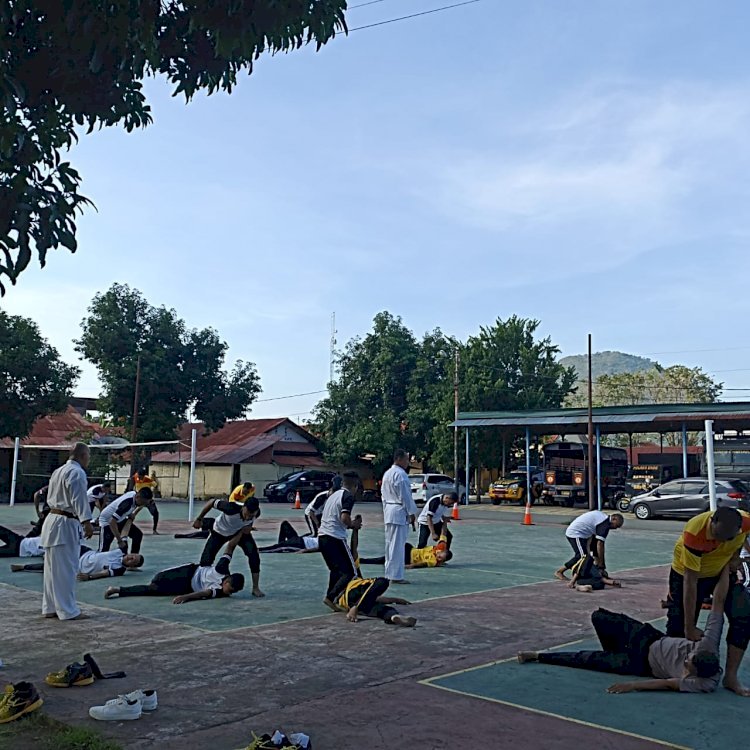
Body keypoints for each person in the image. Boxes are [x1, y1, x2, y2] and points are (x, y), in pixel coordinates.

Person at [518, 565, 730, 694]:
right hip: (647, 638)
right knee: (599, 616)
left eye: (687, 665)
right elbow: (718, 603)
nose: (685, 660)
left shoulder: (703, 684)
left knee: (587, 660)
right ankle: (611, 652)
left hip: (640, 665)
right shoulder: (708, 644)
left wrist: (632, 685)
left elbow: (666, 684)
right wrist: (725, 571)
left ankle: (538, 656)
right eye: (689, 656)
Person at [666, 506, 750, 696]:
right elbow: (690, 583)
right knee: (678, 629)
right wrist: (690, 627)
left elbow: (743, 538)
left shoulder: (745, 522)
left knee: (743, 616)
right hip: (687, 576)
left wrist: (735, 557)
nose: (720, 542)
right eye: (717, 536)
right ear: (712, 521)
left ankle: (730, 677)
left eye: (726, 539)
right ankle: (677, 671)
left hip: (721, 571)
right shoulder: (695, 532)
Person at [104, 534, 245, 603]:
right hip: (188, 572)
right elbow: (230, 547)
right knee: (158, 578)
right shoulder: (222, 569)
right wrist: (241, 532)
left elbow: (203, 593)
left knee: (153, 589)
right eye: (231, 590)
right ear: (227, 581)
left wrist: (184, 597)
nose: (229, 593)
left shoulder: (220, 592)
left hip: (186, 587)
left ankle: (117, 590)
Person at [40, 442, 94, 621]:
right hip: (64, 523)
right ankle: (68, 610)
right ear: (83, 456)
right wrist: (87, 521)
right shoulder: (77, 473)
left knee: (51, 569)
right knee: (65, 569)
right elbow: (79, 499)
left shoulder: (59, 471)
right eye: (88, 456)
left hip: (52, 521)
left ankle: (50, 607)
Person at [336, 526, 416, 627]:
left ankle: (393, 617)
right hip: (353, 594)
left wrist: (395, 600)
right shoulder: (354, 576)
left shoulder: (360, 592)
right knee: (383, 581)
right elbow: (354, 549)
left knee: (382, 609)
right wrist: (355, 530)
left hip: (350, 602)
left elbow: (372, 596)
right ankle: (356, 608)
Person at [193, 495, 264, 597]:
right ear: (243, 507)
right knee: (205, 562)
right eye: (246, 514)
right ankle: (206, 583)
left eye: (251, 516)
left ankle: (255, 588)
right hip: (219, 532)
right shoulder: (231, 508)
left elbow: (249, 521)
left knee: (254, 555)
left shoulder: (256, 513)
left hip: (238, 532)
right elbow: (212, 502)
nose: (248, 517)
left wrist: (249, 526)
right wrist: (199, 518)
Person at [318, 471, 362, 609]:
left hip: (322, 537)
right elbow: (344, 518)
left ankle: (329, 598)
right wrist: (353, 524)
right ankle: (332, 596)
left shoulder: (333, 495)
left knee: (336, 570)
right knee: (350, 571)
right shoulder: (348, 496)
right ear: (355, 486)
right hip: (335, 537)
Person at [380, 449, 418, 584]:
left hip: (390, 510)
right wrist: (411, 513)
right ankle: (395, 576)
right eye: (407, 459)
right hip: (398, 511)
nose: (408, 462)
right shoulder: (400, 475)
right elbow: (405, 497)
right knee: (397, 545)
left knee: (390, 544)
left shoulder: (387, 474)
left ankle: (390, 573)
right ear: (400, 459)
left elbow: (383, 496)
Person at [555, 511, 624, 580]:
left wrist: (600, 567)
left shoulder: (603, 518)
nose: (615, 528)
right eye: (616, 526)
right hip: (575, 533)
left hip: (585, 535)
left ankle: (598, 572)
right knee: (582, 557)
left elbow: (596, 547)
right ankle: (560, 571)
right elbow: (600, 545)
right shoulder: (605, 524)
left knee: (593, 550)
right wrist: (602, 564)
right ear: (614, 519)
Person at [12, 547, 144, 579]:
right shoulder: (120, 551)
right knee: (65, 543)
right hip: (85, 552)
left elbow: (104, 573)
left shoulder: (119, 569)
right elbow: (125, 532)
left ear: (132, 566)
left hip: (80, 567)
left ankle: (23, 567)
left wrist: (90, 577)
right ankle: (46, 551)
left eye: (133, 560)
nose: (130, 557)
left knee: (54, 567)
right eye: (132, 555)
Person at [97, 488, 154, 553]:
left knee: (137, 535)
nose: (142, 505)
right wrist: (119, 541)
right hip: (107, 521)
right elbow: (112, 522)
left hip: (120, 518)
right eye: (143, 503)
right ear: (138, 497)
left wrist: (130, 514)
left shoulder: (134, 495)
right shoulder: (127, 504)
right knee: (104, 549)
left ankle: (134, 556)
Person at [360, 534, 452, 569]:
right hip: (410, 549)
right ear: (440, 551)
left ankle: (362, 560)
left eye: (441, 559)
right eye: (440, 555)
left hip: (409, 558)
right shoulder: (440, 547)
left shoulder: (434, 562)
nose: (438, 558)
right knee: (400, 543)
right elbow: (443, 535)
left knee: (384, 560)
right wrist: (444, 521)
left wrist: (411, 566)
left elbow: (422, 564)